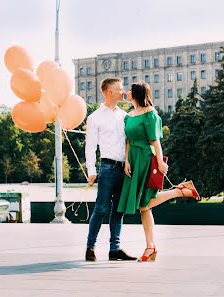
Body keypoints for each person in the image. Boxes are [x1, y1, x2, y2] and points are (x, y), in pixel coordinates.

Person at [118, 81, 200, 262]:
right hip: (133, 160)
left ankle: (178, 191)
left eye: (130, 90)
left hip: (147, 158)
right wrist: (126, 161)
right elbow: (128, 141)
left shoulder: (150, 115)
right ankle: (150, 246)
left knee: (145, 204)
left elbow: (155, 141)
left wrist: (161, 163)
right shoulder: (128, 116)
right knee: (144, 208)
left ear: (137, 93)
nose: (126, 92)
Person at [85, 77, 136, 262]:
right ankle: (90, 247)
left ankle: (115, 249)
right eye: (120, 89)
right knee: (101, 209)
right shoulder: (95, 118)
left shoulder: (125, 116)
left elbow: (129, 142)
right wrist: (91, 171)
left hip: (124, 169)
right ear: (109, 92)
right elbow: (90, 147)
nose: (123, 92)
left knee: (118, 211)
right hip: (107, 168)